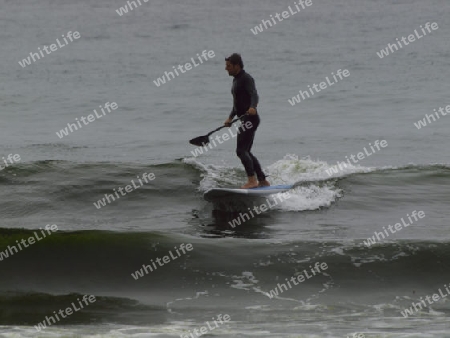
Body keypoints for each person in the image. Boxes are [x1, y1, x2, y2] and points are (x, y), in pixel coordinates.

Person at [224, 53, 270, 189]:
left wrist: (253, 106)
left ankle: (252, 181)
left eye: (228, 66)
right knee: (246, 151)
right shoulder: (236, 80)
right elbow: (237, 104)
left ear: (237, 66)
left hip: (251, 119)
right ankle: (262, 180)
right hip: (245, 119)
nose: (226, 69)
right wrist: (230, 118)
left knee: (240, 151)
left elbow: (254, 94)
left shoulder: (246, 78)